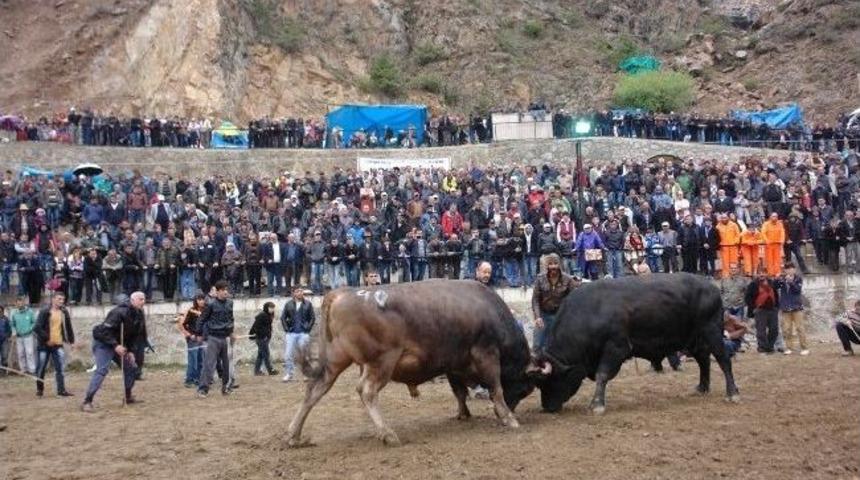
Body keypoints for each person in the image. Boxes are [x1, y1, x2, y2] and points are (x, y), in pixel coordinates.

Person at [81, 291, 148, 411]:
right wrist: (115, 345)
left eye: (144, 299)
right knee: (102, 370)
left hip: (119, 345)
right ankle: (87, 401)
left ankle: (127, 396)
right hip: (104, 343)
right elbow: (104, 332)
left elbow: (135, 335)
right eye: (140, 299)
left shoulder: (139, 314)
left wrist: (131, 351)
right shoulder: (118, 312)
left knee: (131, 367)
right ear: (132, 300)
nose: (143, 302)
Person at [531, 253, 579, 351]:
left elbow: (575, 299)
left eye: (555, 263)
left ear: (560, 264)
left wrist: (569, 318)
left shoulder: (568, 279)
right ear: (546, 266)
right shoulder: (540, 278)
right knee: (537, 344)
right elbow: (535, 299)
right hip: (543, 315)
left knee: (558, 345)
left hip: (560, 316)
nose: (553, 266)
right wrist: (537, 316)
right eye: (550, 264)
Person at [197, 280, 236, 397]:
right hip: (213, 337)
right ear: (218, 291)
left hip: (225, 338)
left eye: (227, 290)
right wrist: (199, 335)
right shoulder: (210, 304)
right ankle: (203, 389)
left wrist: (232, 333)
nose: (226, 292)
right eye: (224, 290)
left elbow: (231, 319)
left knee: (226, 365)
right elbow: (201, 320)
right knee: (209, 365)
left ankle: (226, 388)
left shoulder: (230, 303)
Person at [34, 292, 75, 397]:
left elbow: (68, 327)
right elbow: (37, 328)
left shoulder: (64, 312)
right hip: (44, 344)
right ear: (53, 299)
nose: (61, 301)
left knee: (60, 368)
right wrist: (47, 339)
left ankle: (61, 391)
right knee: (41, 368)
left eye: (63, 299)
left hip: (58, 344)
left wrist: (71, 341)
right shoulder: (45, 311)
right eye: (59, 299)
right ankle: (40, 390)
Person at [280, 286, 315, 382]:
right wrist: (286, 329)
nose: (300, 293)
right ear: (294, 293)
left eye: (301, 291)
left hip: (303, 333)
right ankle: (289, 374)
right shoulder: (288, 304)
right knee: (288, 355)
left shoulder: (308, 304)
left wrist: (308, 328)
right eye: (298, 291)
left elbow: (312, 318)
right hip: (291, 333)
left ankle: (306, 374)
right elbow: (283, 317)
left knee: (304, 355)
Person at [774, 263, 807, 356]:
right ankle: (789, 347)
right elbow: (775, 287)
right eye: (787, 269)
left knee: (800, 328)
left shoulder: (798, 278)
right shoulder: (782, 278)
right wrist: (776, 279)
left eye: (791, 268)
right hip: (785, 307)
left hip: (797, 307)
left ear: (794, 269)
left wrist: (790, 282)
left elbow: (797, 290)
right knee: (786, 329)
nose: (789, 270)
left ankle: (804, 347)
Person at [745, 273, 779, 354]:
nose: (761, 275)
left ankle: (770, 346)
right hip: (760, 311)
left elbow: (776, 294)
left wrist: (777, 306)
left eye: (763, 273)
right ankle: (762, 347)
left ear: (766, 274)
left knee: (774, 329)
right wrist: (754, 308)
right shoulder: (753, 284)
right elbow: (747, 298)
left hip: (772, 310)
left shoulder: (771, 282)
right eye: (759, 273)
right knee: (761, 331)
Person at [177, 293, 206, 388]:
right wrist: (190, 335)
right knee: (193, 360)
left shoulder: (206, 311)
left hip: (201, 338)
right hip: (192, 339)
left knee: (200, 359)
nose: (201, 301)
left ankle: (198, 379)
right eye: (199, 299)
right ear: (196, 300)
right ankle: (189, 379)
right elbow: (183, 324)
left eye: (203, 299)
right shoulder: (191, 311)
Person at [250, 301, 279, 376]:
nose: (272, 309)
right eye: (270, 308)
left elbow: (267, 327)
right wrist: (264, 335)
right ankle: (270, 370)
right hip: (261, 338)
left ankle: (257, 371)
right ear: (266, 307)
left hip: (265, 338)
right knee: (266, 354)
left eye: (273, 308)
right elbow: (256, 326)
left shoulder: (269, 315)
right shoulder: (262, 315)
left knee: (261, 355)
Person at [10, 296, 37, 374]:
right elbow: (12, 324)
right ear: (16, 304)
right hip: (19, 337)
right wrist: (14, 332)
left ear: (24, 303)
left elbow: (34, 322)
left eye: (21, 302)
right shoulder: (14, 312)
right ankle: (23, 369)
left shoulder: (30, 312)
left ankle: (32, 370)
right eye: (18, 303)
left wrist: (30, 329)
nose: (19, 304)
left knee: (30, 353)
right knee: (20, 353)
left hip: (28, 336)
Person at [0, 305, 10, 374]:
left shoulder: (6, 319)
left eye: (0, 311)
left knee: (4, 356)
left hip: (4, 341)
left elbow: (9, 330)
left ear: (2, 311)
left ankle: (4, 371)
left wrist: (7, 336)